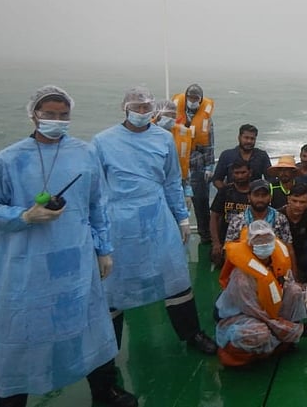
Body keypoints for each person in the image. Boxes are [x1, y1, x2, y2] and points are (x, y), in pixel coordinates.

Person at [0, 86, 136, 407]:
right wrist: (23, 215)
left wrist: (104, 249)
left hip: (76, 262)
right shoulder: (8, 160)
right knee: (21, 335)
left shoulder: (85, 153)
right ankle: (10, 399)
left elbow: (98, 206)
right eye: (49, 114)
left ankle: (104, 392)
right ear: (34, 114)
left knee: (90, 326)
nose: (57, 120)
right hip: (27, 268)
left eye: (63, 115)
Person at [92, 86, 217, 357]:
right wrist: (98, 237)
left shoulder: (163, 139)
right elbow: (96, 191)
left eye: (146, 107)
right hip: (119, 223)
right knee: (113, 287)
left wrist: (183, 219)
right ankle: (107, 349)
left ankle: (192, 333)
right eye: (136, 107)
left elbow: (172, 181)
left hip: (158, 219)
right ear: (124, 108)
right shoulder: (102, 142)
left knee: (175, 276)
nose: (141, 112)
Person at [214, 220, 307, 367]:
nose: (264, 244)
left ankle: (282, 342)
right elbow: (259, 315)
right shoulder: (241, 278)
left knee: (295, 290)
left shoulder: (277, 263)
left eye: (267, 240)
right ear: (250, 245)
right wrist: (300, 330)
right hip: (242, 316)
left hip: (270, 309)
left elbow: (288, 285)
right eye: (258, 241)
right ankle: (237, 356)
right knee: (258, 333)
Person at [221, 179, 295, 280]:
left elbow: (288, 248)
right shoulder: (237, 221)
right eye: (256, 195)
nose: (260, 199)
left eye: (264, 195)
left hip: (275, 270)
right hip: (246, 271)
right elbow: (229, 251)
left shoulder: (280, 219)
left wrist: (294, 278)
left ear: (270, 198)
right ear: (249, 197)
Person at [171, 84, 215, 244]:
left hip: (197, 166)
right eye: (190, 97)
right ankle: (175, 236)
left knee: (201, 204)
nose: (192, 101)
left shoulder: (206, 120)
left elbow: (210, 145)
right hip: (176, 166)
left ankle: (205, 236)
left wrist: (209, 167)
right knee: (175, 202)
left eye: (196, 98)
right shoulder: (173, 116)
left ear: (201, 99)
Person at [153, 99, 194, 211]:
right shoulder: (145, 135)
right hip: (152, 188)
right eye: (167, 115)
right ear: (157, 114)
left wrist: (187, 190)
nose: (170, 118)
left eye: (173, 115)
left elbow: (185, 163)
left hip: (176, 186)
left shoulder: (182, 134)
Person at [209, 160, 251, 268]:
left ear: (250, 173)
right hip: (227, 241)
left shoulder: (256, 192)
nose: (240, 176)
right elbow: (214, 216)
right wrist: (216, 243)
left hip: (249, 241)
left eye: (243, 172)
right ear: (232, 174)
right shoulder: (225, 191)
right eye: (236, 173)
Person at [280, 183, 307, 283]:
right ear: (288, 199)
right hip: (283, 258)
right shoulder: (279, 216)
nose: (297, 205)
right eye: (294, 201)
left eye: (302, 202)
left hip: (306, 258)